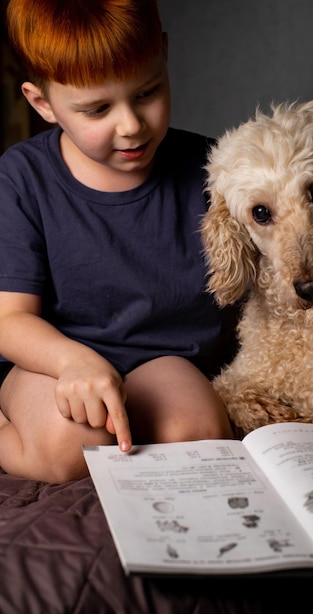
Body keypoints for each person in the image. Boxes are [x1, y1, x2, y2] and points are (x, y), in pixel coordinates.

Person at [0, 0, 233, 483]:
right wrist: (73, 360)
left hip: (163, 358)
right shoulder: (21, 178)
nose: (131, 125)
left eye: (147, 92)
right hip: (54, 363)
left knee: (200, 432)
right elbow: (9, 319)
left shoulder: (216, 167)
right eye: (98, 109)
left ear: (165, 55)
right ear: (42, 103)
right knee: (72, 450)